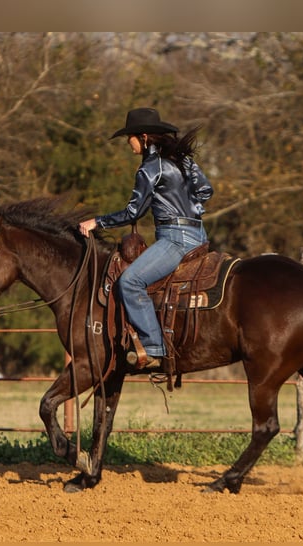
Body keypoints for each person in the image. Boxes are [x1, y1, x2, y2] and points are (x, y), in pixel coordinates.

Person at [79, 107, 214, 370]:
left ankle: (153, 347)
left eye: (128, 137)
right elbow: (206, 190)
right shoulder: (183, 160)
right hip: (199, 235)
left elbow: (133, 212)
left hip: (175, 240)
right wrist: (190, 209)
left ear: (142, 137)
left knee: (130, 281)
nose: (127, 143)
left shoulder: (150, 168)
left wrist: (97, 222)